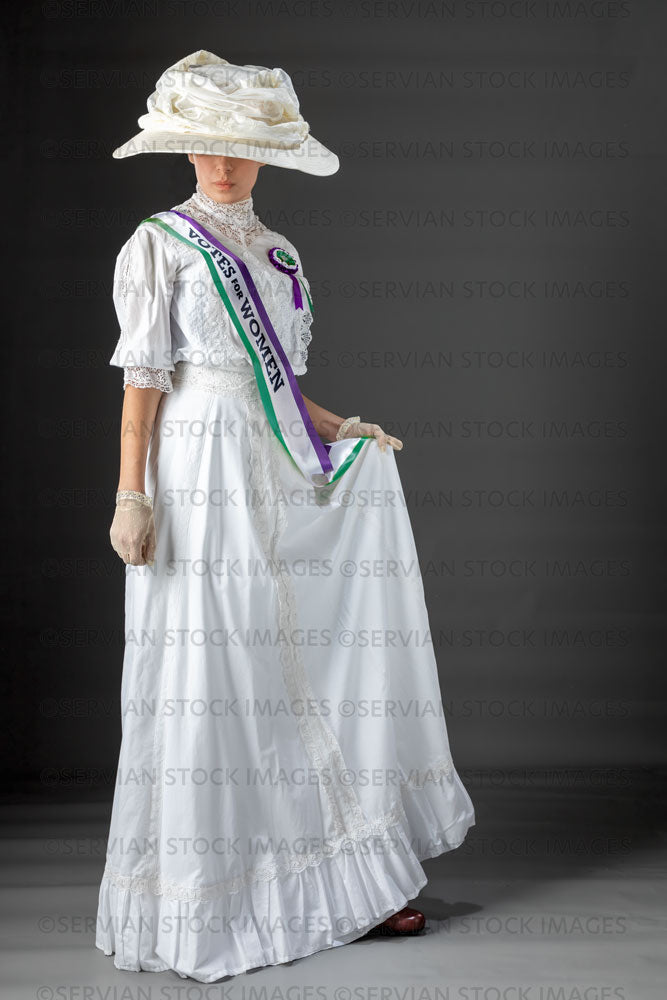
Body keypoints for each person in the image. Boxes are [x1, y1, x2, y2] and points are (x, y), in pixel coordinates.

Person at [96, 50, 474, 983]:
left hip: (268, 464)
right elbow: (144, 387)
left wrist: (344, 427)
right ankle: (209, 896)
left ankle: (330, 879)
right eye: (206, 148)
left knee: (282, 661)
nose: (222, 166)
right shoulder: (161, 243)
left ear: (269, 156)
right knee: (209, 661)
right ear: (184, 152)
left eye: (240, 149)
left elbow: (282, 389)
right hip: (195, 465)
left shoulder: (279, 255)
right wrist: (130, 494)